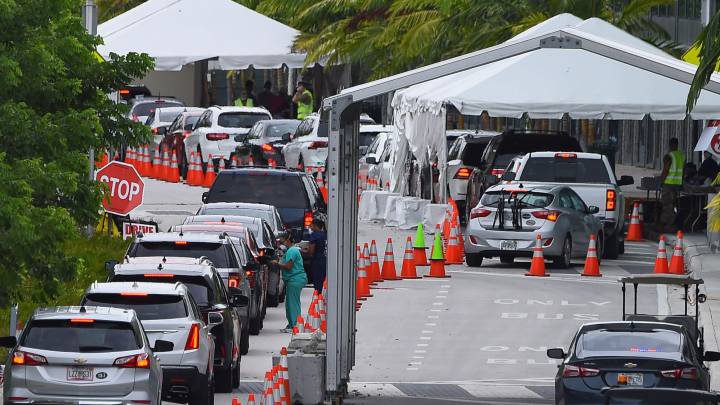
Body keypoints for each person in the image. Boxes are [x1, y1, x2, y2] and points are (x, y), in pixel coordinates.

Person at [272, 232, 307, 333]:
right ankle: (291, 324)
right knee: (290, 303)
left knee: (293, 304)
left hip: (295, 279)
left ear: (287, 240)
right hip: (294, 279)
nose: (280, 243)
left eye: (281, 241)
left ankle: (295, 325)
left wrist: (277, 264)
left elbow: (289, 266)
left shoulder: (292, 251)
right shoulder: (292, 250)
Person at [659, 137, 685, 232]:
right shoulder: (681, 156)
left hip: (668, 184)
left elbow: (665, 170)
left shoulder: (668, 156)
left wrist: (661, 182)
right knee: (673, 204)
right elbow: (683, 171)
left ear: (670, 145)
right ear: (677, 145)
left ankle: (667, 225)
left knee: (667, 205)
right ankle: (671, 224)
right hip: (677, 185)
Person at [307, 218, 327, 293]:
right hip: (326, 260)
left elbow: (311, 251)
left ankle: (318, 297)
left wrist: (306, 251)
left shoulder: (314, 235)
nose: (310, 228)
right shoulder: (325, 234)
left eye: (311, 226)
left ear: (315, 226)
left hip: (318, 261)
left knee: (318, 282)